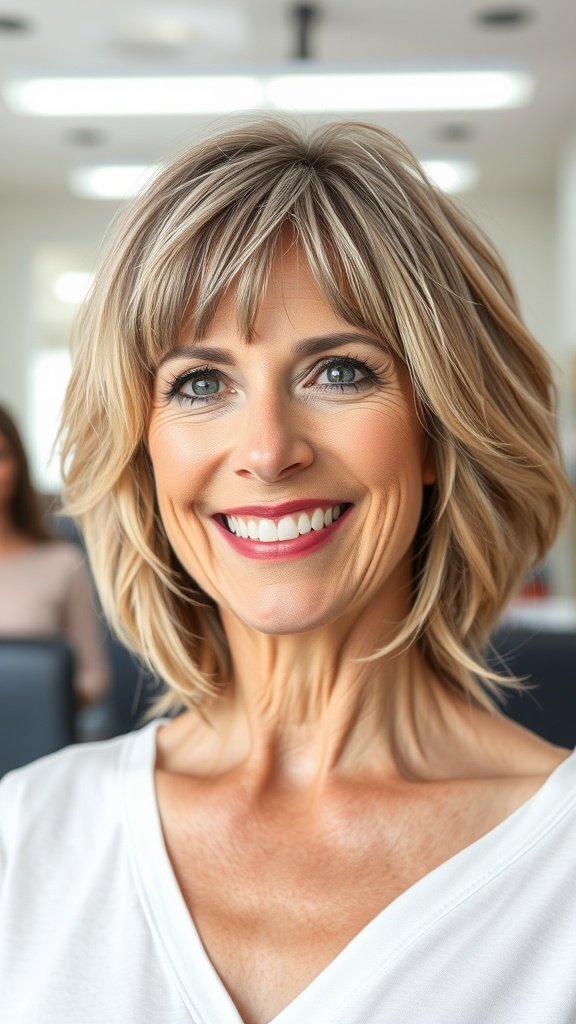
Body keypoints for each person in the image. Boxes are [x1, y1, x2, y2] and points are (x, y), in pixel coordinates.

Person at [0, 118, 574, 1024]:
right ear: (145, 450)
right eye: (200, 384)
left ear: (438, 430)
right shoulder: (25, 838)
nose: (266, 452)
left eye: (340, 372)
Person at [0, 403, 109, 707]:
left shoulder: (62, 564)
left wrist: (43, 701)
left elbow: (94, 676)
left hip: (33, 734)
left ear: (18, 466)